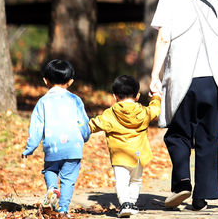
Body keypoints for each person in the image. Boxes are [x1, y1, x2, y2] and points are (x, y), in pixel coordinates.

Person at [149, 0, 218, 211]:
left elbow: (163, 40)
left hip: (184, 81)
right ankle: (202, 197)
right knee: (208, 139)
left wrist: (154, 76)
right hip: (214, 82)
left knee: (178, 135)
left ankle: (182, 183)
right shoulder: (215, 0)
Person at [22, 59, 91, 218]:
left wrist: (30, 148)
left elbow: (37, 128)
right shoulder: (75, 100)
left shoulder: (43, 102)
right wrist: (85, 136)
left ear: (45, 80)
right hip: (74, 146)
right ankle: (63, 210)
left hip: (53, 146)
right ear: (70, 81)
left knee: (50, 170)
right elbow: (83, 122)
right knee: (68, 180)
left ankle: (52, 188)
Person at [88, 75, 162, 217]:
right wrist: (156, 97)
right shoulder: (143, 112)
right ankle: (132, 203)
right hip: (138, 155)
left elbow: (94, 124)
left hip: (119, 156)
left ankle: (125, 204)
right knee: (136, 180)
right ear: (137, 96)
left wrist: (80, 129)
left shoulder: (110, 114)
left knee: (121, 182)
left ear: (115, 96)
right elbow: (155, 110)